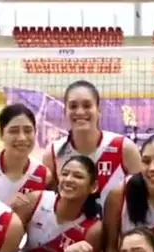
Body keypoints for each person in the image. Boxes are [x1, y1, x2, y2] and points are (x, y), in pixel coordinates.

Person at [43, 80, 141, 208]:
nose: (80, 112)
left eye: (87, 105)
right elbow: (50, 204)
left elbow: (142, 194)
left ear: (98, 110)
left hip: (117, 226)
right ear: (65, 112)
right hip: (72, 227)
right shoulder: (53, 152)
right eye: (73, 106)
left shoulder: (123, 147)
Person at [0, 103, 49, 204]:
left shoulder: (43, 174)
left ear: (35, 132)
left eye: (28, 131)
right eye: (14, 131)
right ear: (1, 134)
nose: (22, 138)